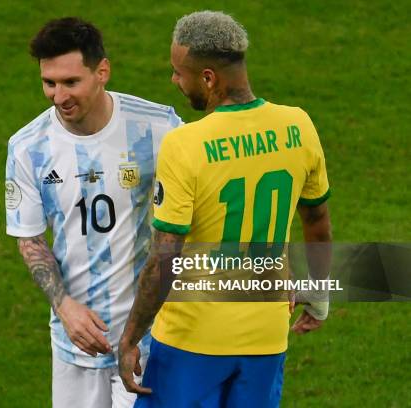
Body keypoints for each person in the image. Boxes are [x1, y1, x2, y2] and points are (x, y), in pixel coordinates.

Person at [118, 10, 332, 407]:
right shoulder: (298, 125)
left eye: (178, 73)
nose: (174, 81)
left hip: (191, 340)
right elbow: (317, 220)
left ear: (209, 78)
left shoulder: (186, 144)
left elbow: (165, 256)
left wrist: (131, 337)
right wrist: (319, 293)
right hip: (266, 338)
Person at [5, 17, 183, 408]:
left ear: (102, 71)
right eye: (49, 83)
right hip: (75, 344)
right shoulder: (27, 148)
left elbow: (205, 214)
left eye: (71, 82)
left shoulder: (159, 128)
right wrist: (65, 307)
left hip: (150, 341)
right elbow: (30, 240)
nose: (58, 96)